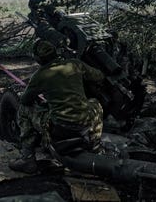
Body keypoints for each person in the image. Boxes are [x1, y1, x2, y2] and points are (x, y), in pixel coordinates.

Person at [9, 39, 105, 174]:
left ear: (38, 59)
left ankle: (27, 159)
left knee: (23, 111)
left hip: (61, 126)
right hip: (85, 123)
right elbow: (99, 76)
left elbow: (25, 100)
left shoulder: (40, 75)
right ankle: (95, 146)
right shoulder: (75, 64)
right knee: (95, 103)